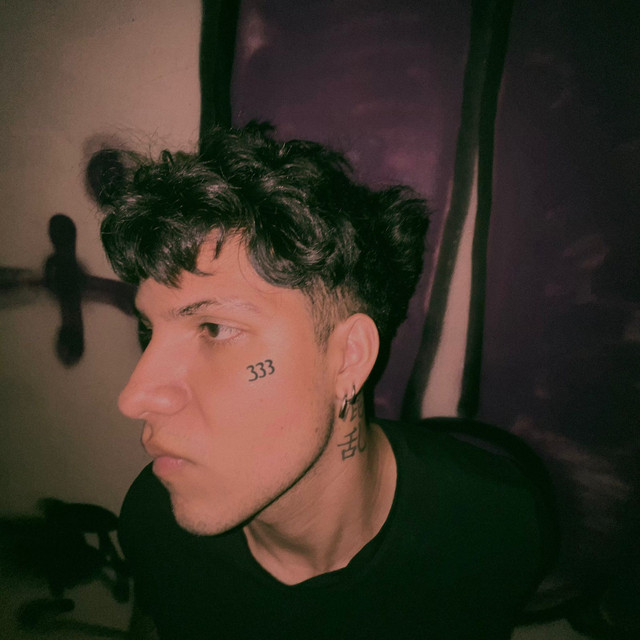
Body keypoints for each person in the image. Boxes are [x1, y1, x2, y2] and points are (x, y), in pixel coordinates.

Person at [95, 123, 553, 639]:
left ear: (348, 358)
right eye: (149, 330)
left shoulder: (493, 524)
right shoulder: (153, 520)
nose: (134, 397)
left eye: (215, 328)